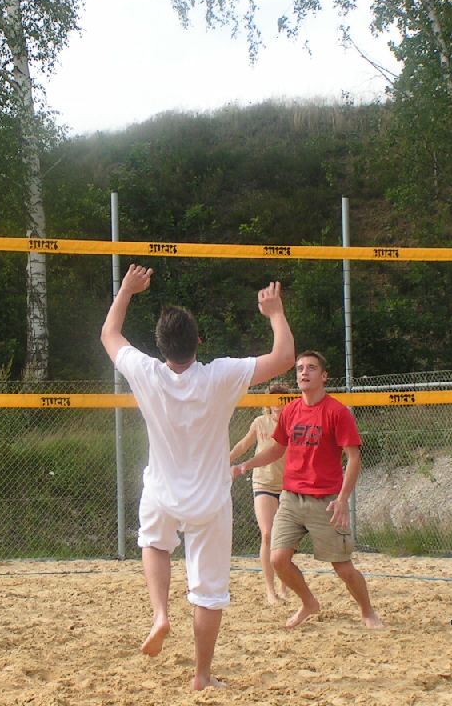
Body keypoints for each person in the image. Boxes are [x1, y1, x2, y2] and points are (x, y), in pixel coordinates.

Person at [100, 264, 294, 691]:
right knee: (208, 593)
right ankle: (202, 675)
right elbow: (284, 358)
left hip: (162, 492)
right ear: (199, 342)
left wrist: (127, 291)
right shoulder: (219, 375)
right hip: (209, 498)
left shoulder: (147, 372)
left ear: (160, 346)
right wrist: (276, 313)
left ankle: (160, 615)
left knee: (154, 543)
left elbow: (110, 334)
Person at [231, 350, 382, 630]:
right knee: (278, 559)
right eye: (300, 368)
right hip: (291, 498)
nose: (304, 372)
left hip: (325, 501)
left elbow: (354, 458)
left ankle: (367, 611)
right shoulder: (290, 411)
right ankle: (309, 602)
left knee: (343, 568)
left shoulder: (337, 412)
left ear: (324, 376)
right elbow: (276, 449)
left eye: (311, 368)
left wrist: (342, 499)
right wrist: (245, 465)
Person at [229, 382, 291, 605]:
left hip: (288, 485)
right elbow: (243, 445)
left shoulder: (295, 422)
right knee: (267, 534)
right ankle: (270, 591)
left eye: (282, 399)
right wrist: (225, 460)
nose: (278, 404)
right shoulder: (260, 422)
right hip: (263, 483)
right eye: (273, 399)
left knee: (285, 538)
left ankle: (284, 585)